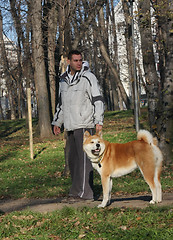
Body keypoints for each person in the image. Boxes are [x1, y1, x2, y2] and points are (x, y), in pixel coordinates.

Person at [52, 50, 104, 202]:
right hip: (70, 125)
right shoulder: (63, 80)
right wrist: (57, 122)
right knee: (73, 161)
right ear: (68, 61)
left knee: (84, 161)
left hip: (84, 124)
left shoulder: (88, 77)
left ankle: (85, 194)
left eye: (80, 60)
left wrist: (98, 120)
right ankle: (75, 192)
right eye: (75, 60)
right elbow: (62, 104)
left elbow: (97, 99)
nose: (79, 63)